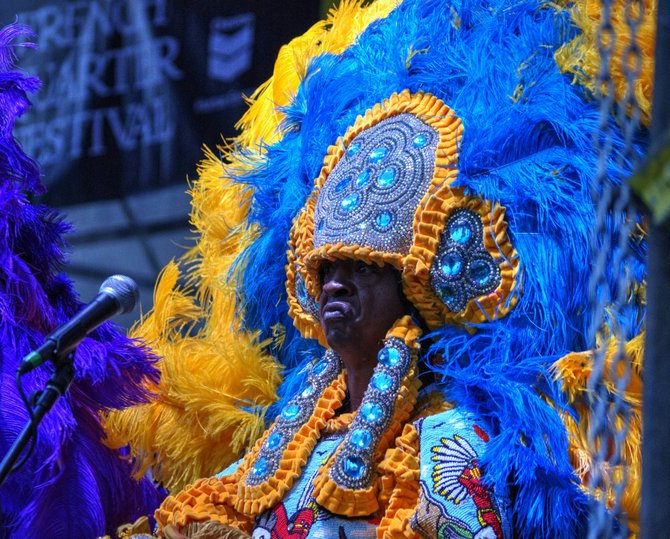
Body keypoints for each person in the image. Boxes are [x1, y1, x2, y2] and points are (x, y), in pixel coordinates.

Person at [105, 0, 652, 537]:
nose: (336, 283)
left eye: (364, 268)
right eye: (327, 268)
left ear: (414, 289)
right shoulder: (283, 448)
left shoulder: (450, 445)